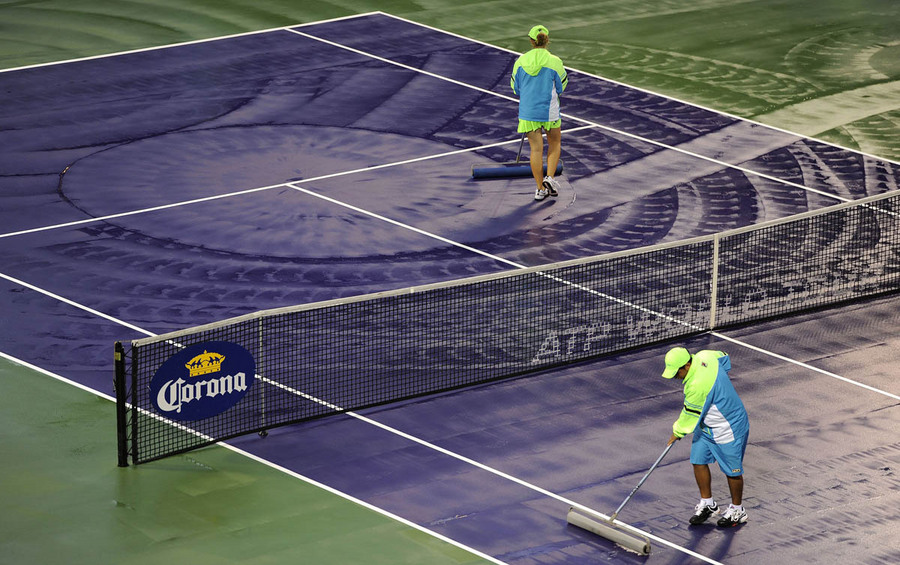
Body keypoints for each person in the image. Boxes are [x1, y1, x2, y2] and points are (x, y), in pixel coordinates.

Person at [662, 347, 750, 527]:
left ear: (687, 365)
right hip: (707, 426)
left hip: (728, 426)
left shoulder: (696, 385)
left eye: (676, 372)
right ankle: (708, 504)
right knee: (698, 460)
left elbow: (688, 417)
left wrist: (676, 433)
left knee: (732, 472)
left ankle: (737, 510)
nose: (674, 377)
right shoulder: (706, 355)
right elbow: (725, 358)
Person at [510, 24, 568, 201]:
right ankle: (549, 178)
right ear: (547, 40)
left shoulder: (520, 61)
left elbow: (515, 88)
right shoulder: (554, 61)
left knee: (536, 150)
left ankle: (540, 189)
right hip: (549, 110)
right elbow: (562, 86)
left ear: (531, 41)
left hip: (528, 111)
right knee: (555, 143)